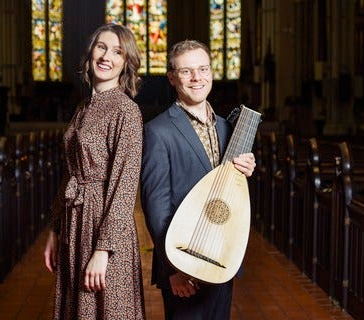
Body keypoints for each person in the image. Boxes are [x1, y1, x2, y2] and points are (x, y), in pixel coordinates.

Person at [141, 40, 256, 320]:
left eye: (203, 69)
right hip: (183, 263)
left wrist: (247, 169)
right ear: (172, 77)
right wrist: (173, 269)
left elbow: (229, 190)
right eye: (187, 71)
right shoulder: (158, 132)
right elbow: (157, 209)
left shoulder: (228, 127)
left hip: (222, 255)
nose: (197, 78)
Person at [44, 24, 145, 320]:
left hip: (103, 224)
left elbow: (125, 187)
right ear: (90, 53)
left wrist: (104, 250)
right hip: (74, 219)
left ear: (125, 63)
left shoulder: (126, 111)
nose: (106, 57)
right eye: (101, 47)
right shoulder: (84, 106)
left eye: (117, 52)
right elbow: (71, 172)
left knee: (106, 309)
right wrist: (55, 228)